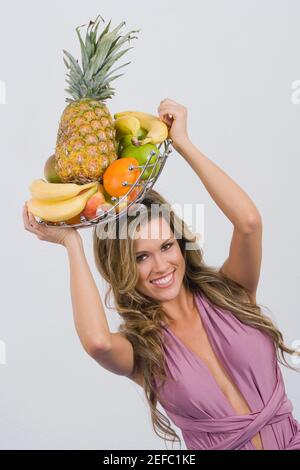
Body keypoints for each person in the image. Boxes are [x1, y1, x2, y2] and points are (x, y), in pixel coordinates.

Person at [23, 98, 300, 450]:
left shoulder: (231, 294)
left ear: (180, 245)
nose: (161, 267)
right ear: (122, 267)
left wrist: (183, 143)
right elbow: (97, 342)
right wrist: (71, 245)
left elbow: (249, 223)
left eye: (167, 247)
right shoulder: (143, 351)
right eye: (141, 257)